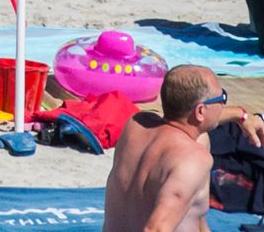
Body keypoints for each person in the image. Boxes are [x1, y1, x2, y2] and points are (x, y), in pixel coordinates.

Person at [106, 67, 256, 232]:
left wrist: (241, 115)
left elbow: (188, 120)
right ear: (200, 111)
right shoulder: (193, 158)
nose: (223, 104)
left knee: (202, 139)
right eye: (222, 98)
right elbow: (156, 229)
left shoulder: (136, 124)